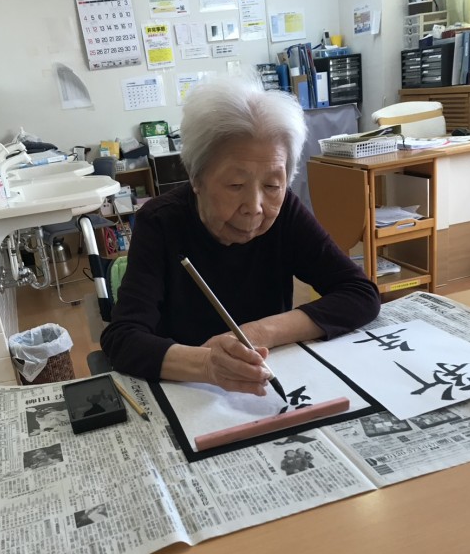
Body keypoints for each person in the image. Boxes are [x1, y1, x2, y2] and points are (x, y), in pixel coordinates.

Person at [101, 72, 380, 396]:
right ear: (196, 177)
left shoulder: (286, 212)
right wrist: (207, 364)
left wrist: (257, 334)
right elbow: (123, 338)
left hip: (266, 383)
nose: (255, 207)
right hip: (190, 392)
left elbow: (360, 293)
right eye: (235, 185)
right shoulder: (161, 222)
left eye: (272, 185)